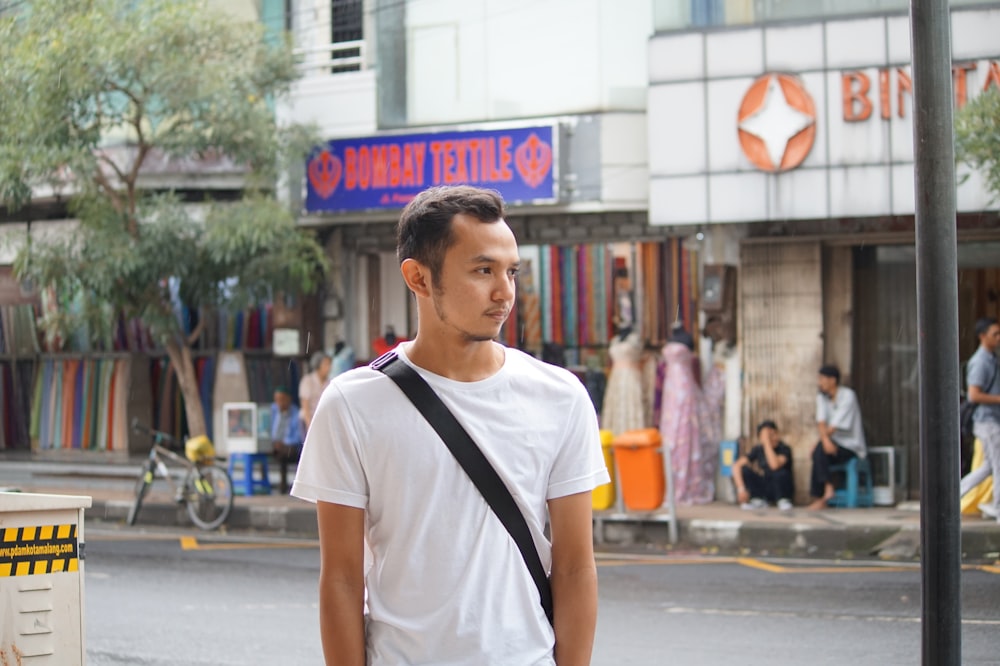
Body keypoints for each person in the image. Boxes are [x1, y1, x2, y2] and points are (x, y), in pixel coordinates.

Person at [291, 185, 609, 666]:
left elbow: (574, 568)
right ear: (418, 277)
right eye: (483, 270)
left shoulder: (559, 397)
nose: (505, 291)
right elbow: (340, 578)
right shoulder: (351, 405)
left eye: (511, 271)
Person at [808, 364, 867, 510]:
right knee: (819, 451)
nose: (819, 382)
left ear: (832, 380)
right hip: (831, 443)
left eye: (822, 379)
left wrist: (823, 441)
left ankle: (825, 493)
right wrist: (824, 440)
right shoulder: (821, 397)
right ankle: (825, 491)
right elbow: (821, 423)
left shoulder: (848, 396)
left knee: (820, 449)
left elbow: (834, 426)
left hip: (851, 446)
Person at [959, 317, 1000, 522]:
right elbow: (974, 395)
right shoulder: (981, 361)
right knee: (998, 465)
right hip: (987, 421)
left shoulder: (992, 358)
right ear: (982, 337)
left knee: (988, 467)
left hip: (991, 420)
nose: (999, 338)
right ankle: (998, 506)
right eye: (995, 334)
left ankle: (953, 495)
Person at [732, 420, 794, 511]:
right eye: (766, 436)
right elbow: (736, 466)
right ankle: (759, 499)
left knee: (779, 473)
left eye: (772, 434)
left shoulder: (784, 449)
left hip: (781, 488)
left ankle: (783, 500)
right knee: (745, 470)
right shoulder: (758, 449)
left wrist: (767, 443)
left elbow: (774, 465)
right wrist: (741, 489)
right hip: (767, 486)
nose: (771, 438)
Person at [270, 385, 304, 494]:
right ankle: (282, 487)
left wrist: (284, 443)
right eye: (276, 400)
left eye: (281, 400)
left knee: (284, 452)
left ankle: (283, 487)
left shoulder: (296, 414)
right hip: (275, 444)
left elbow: (298, 437)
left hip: (290, 447)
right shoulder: (273, 410)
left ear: (288, 399)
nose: (278, 403)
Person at [298, 350, 331, 432]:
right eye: (326, 364)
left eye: (330, 364)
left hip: (323, 421)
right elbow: (305, 406)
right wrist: (309, 426)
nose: (329, 367)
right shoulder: (308, 381)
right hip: (308, 419)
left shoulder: (330, 383)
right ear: (318, 365)